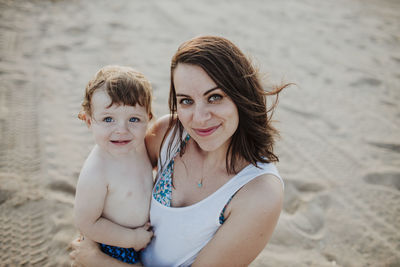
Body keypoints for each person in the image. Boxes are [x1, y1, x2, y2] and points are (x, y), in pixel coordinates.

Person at [70, 36, 288, 266]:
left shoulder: (259, 192)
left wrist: (97, 260)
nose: (200, 118)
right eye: (186, 101)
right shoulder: (169, 134)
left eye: (214, 97)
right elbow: (109, 170)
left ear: (240, 95)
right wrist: (92, 235)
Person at [73, 65, 154, 265]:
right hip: (112, 246)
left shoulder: (141, 146)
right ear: (89, 121)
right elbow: (87, 223)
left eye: (134, 119)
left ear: (148, 119)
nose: (122, 130)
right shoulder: (97, 171)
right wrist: (132, 239)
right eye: (108, 119)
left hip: (140, 237)